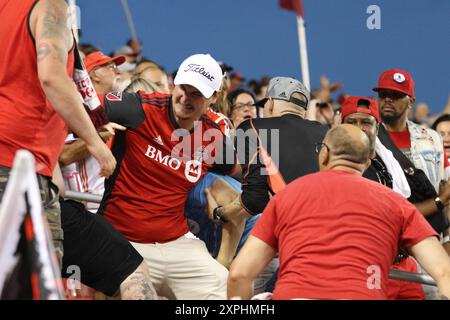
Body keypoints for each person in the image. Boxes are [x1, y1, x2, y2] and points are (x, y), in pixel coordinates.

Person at [228, 124, 450, 300]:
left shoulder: (287, 196)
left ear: (324, 154)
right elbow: (443, 271)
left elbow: (240, 274)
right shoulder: (396, 203)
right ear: (366, 163)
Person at [97, 53, 236, 299]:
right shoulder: (139, 108)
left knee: (222, 282)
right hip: (123, 239)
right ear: (173, 83)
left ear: (213, 98)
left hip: (176, 242)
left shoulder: (213, 138)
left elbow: (240, 171)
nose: (185, 98)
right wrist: (92, 140)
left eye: (196, 94)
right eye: (183, 87)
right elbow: (80, 104)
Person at [0, 0, 115, 265]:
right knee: (37, 280)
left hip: (23, 163)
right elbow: (52, 76)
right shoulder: (50, 6)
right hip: (16, 167)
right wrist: (94, 142)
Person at [59, 51, 127, 212]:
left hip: (103, 205)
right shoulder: (77, 108)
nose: (118, 72)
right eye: (112, 67)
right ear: (95, 74)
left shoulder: (118, 111)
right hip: (82, 204)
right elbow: (64, 155)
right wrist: (98, 138)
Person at [374, 69, 447, 192]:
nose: (388, 99)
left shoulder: (432, 138)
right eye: (383, 94)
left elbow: (445, 181)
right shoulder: (369, 138)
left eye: (396, 95)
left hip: (430, 208)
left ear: (411, 101)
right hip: (388, 210)